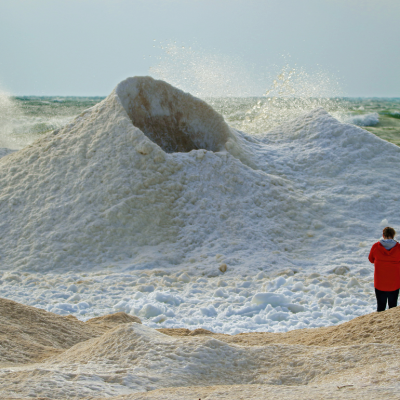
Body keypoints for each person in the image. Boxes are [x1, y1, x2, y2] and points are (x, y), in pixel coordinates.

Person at [368, 227, 400, 312]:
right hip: (394, 284)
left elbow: (371, 259)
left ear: (383, 235)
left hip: (380, 283)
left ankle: (380, 325)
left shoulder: (376, 246)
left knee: (380, 308)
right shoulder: (399, 248)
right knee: (393, 308)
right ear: (393, 235)